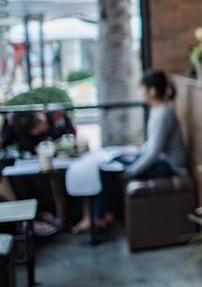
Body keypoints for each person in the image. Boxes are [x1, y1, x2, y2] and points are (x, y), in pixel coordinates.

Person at [71, 70, 188, 233]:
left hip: (170, 166)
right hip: (160, 160)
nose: (141, 92)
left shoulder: (164, 113)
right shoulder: (158, 110)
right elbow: (152, 145)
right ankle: (102, 215)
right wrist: (136, 152)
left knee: (109, 169)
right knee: (108, 165)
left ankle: (99, 216)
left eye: (143, 88)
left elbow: (154, 153)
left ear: (152, 90)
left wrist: (131, 171)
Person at [0, 110, 75, 235]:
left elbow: (70, 138)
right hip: (26, 169)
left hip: (52, 164)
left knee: (52, 177)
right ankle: (25, 221)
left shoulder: (57, 118)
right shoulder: (16, 125)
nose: (35, 133)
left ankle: (51, 217)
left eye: (36, 129)